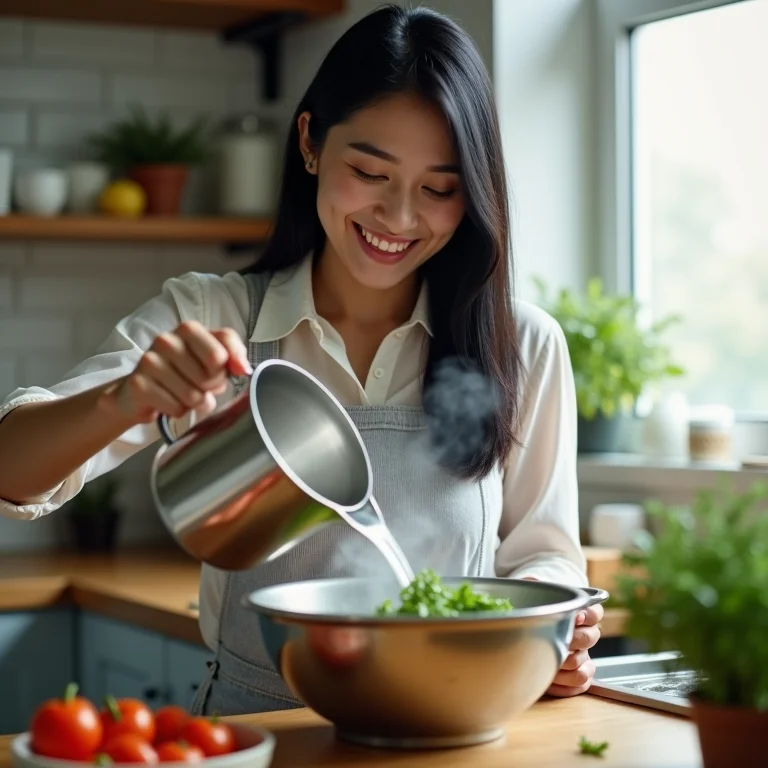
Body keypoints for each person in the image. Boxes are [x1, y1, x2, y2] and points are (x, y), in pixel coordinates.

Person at [0, 4, 602, 713]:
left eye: (438, 189)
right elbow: (13, 469)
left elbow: (541, 551)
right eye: (371, 173)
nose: (400, 218)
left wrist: (557, 627)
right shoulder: (214, 315)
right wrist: (123, 399)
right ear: (310, 143)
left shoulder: (521, 345)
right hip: (259, 732)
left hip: (446, 728)